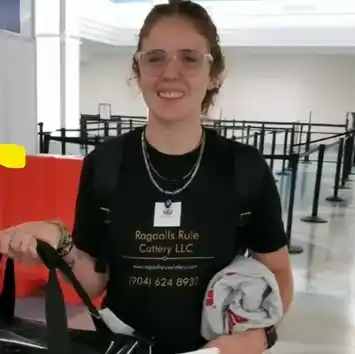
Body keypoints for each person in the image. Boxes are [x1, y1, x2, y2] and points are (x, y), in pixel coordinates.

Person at [0, 1, 293, 354]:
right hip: (123, 345)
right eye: (155, 58)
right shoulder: (105, 164)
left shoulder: (244, 168)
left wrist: (259, 337)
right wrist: (58, 246)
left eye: (190, 58)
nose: (170, 72)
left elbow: (277, 273)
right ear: (138, 70)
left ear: (214, 73)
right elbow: (93, 280)